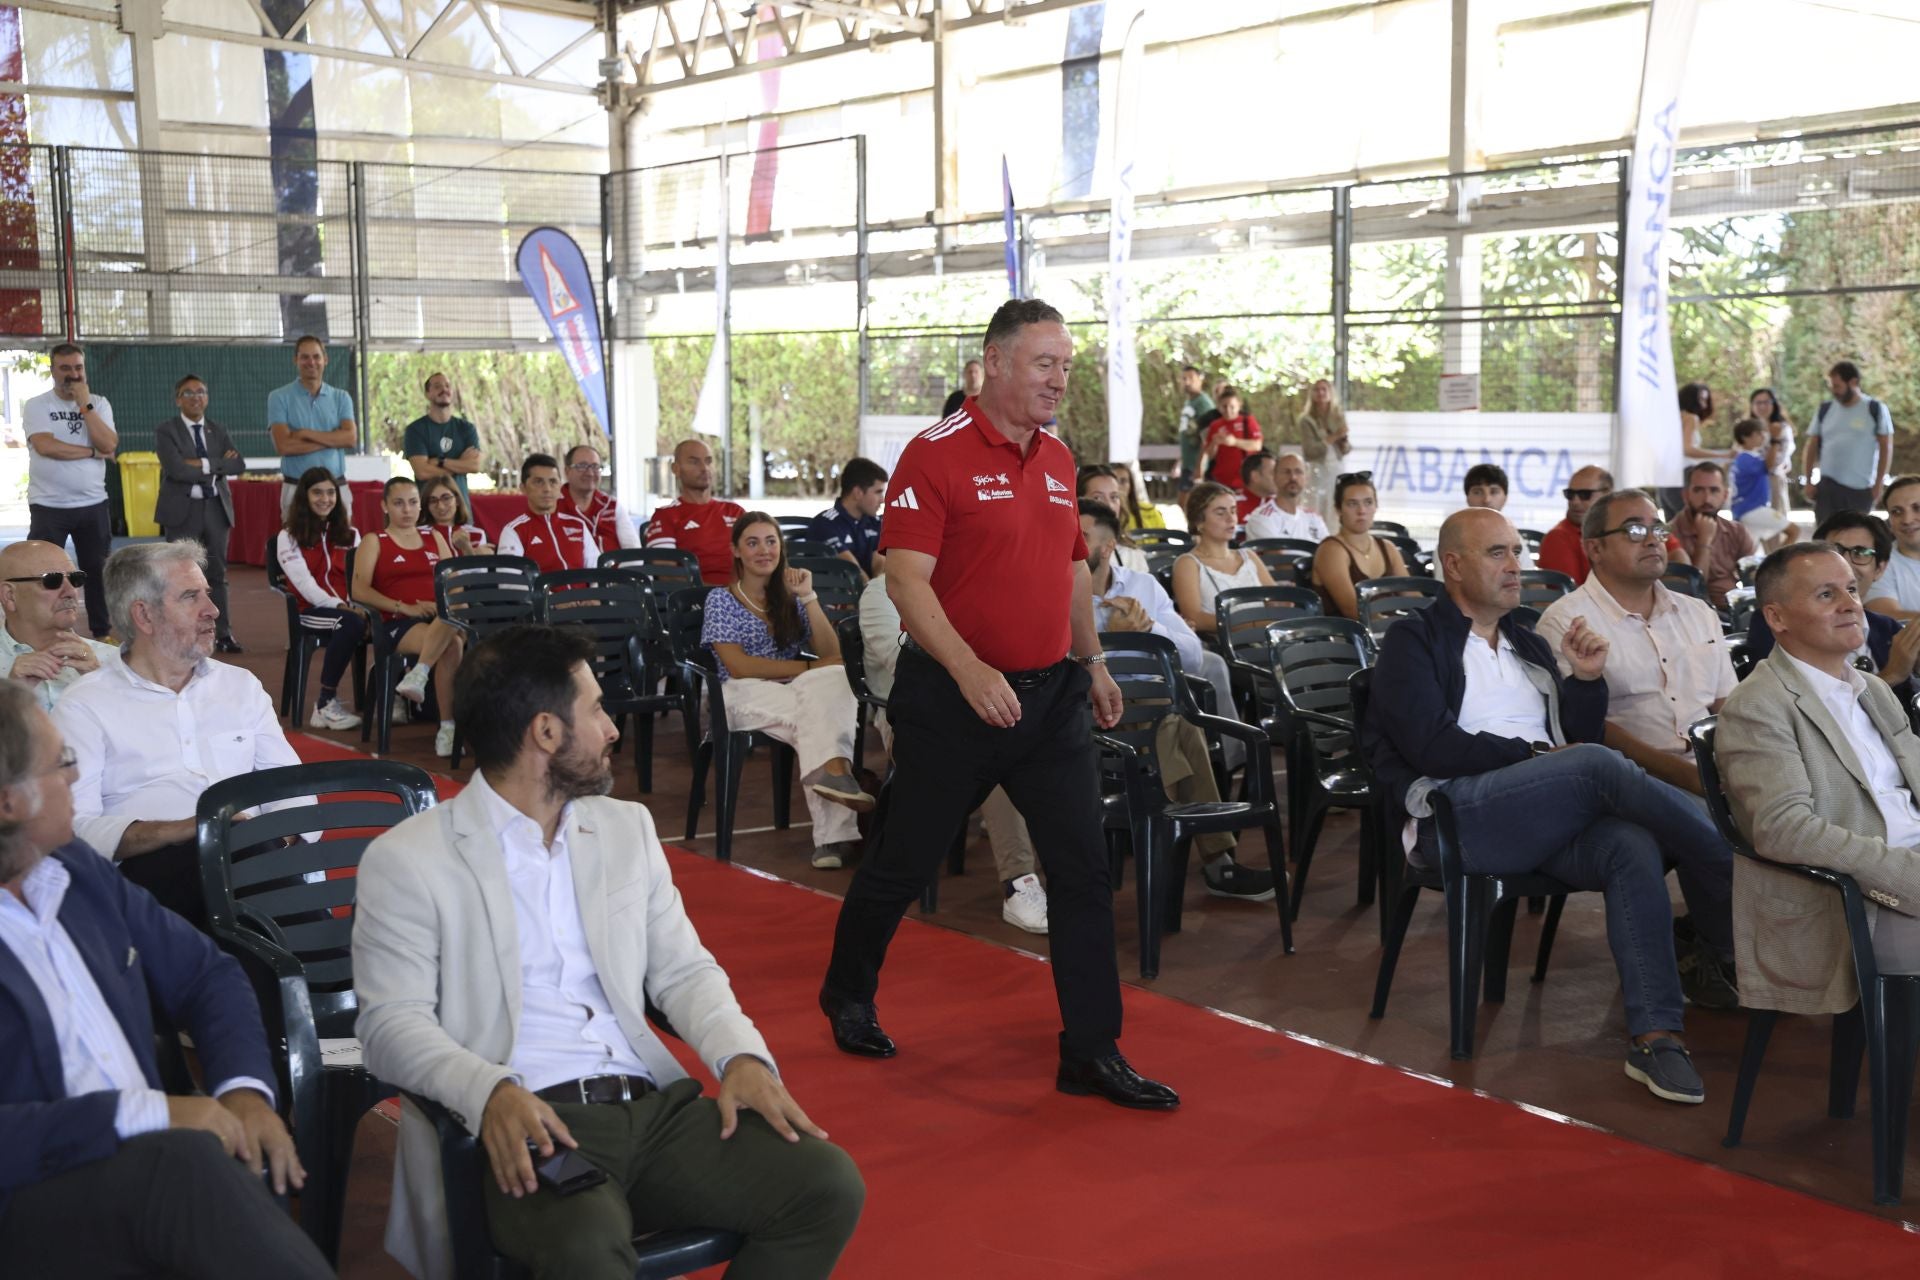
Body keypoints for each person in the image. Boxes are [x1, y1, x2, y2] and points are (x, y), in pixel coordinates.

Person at [352, 625, 864, 1280]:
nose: (612, 727)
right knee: (587, 1243)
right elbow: (388, 1026)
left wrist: (741, 1055)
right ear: (545, 732)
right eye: (594, 709)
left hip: (652, 1109)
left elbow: (683, 968)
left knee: (825, 1184)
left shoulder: (624, 828)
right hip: (530, 1120)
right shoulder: (410, 858)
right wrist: (490, 1092)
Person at [820, 298, 1177, 1111]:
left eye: (1067, 364)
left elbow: (1069, 574)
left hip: (1050, 701)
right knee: (902, 862)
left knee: (1084, 874)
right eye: (1045, 363)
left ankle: (1091, 1049)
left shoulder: (1056, 459)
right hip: (953, 699)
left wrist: (1091, 661)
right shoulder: (933, 454)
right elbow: (906, 579)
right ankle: (847, 993)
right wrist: (970, 669)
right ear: (996, 362)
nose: (1060, 379)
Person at [1361, 506, 1735, 1104]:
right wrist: (1531, 758)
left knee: (1630, 844)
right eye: (1498, 554)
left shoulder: (1527, 641)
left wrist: (1586, 680)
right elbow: (1430, 745)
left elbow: (1570, 738)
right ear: (1452, 565)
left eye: (1517, 551)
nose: (1517, 565)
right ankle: (1724, 854)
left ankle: (1656, 1036)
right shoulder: (1415, 639)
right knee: (1596, 767)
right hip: (1453, 818)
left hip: (1538, 812)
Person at [0, 683, 335, 1280]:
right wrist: (149, 1115)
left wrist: (242, 1091)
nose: (76, 780)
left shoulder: (73, 870)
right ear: (8, 802)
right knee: (183, 1169)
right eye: (62, 763)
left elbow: (206, 973)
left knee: (218, 1158)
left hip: (156, 1164)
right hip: (33, 1194)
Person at [51, 542, 301, 928]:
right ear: (144, 616)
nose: (212, 610)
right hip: (148, 884)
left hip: (254, 860)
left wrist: (272, 841)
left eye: (208, 594)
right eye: (190, 596)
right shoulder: (86, 704)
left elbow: (291, 791)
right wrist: (187, 829)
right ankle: (324, 976)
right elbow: (74, 828)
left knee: (248, 871)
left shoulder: (240, 686)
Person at [1716, 543, 1920, 1014]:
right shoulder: (1759, 705)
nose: (1851, 603)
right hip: (1856, 904)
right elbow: (1784, 828)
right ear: (1777, 617)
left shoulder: (1870, 687)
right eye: (1826, 595)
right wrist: (1908, 872)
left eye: (1851, 589)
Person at [1083, 500, 1272, 901]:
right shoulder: (1054, 591)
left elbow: (1192, 655)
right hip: (1089, 714)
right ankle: (1195, 849)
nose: (1070, 545)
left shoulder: (1142, 587)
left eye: (1081, 537)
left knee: (1181, 723)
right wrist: (1116, 641)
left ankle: (1203, 854)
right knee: (1177, 734)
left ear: (1106, 546)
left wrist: (1149, 630)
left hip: (1148, 712)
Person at [858, 568, 1049, 933]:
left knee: (1049, 734)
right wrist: (973, 667)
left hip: (997, 707)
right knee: (992, 745)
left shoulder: (974, 583)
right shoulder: (881, 592)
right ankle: (1019, 881)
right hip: (914, 722)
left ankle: (1079, 878)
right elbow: (901, 664)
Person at [1535, 492, 1737, 805]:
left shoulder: (1698, 613)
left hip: (1716, 770)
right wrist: (1692, 779)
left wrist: (1739, 766)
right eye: (1634, 531)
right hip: (1636, 781)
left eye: (1658, 530)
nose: (1653, 541)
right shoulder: (1567, 623)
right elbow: (1591, 729)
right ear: (1595, 548)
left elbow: (1726, 705)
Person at [703, 514, 874, 871]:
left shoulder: (789, 598)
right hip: (737, 693)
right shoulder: (720, 599)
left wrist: (809, 596)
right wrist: (810, 668)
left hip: (794, 690)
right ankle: (834, 825)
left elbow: (833, 653)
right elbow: (739, 666)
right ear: (736, 550)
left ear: (781, 548)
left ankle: (834, 790)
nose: (763, 550)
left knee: (835, 680)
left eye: (771, 541)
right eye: (752, 542)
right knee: (818, 712)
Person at [1744, 512, 1920, 705]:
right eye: (1835, 551)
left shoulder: (1887, 629)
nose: (1845, 563)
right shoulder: (1778, 621)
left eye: (1860, 553)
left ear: (1879, 569)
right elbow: (1788, 707)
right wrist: (1892, 674)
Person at [351, 476, 465, 757]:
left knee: (456, 612)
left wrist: (439, 606)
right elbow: (359, 589)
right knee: (452, 646)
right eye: (399, 503)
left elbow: (455, 584)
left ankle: (420, 673)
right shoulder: (374, 540)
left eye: (413, 502)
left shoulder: (434, 536)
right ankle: (447, 729)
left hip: (441, 618)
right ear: (385, 506)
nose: (407, 509)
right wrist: (404, 606)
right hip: (398, 622)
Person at [22, 342, 116, 639]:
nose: (73, 375)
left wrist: (84, 405)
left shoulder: (97, 403)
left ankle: (102, 634)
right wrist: (90, 453)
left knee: (98, 572)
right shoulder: (38, 405)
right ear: (53, 371)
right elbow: (47, 447)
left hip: (93, 504)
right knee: (43, 574)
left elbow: (109, 445)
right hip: (48, 506)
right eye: (65, 368)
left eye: (78, 368)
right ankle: (41, 633)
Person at [154, 374, 246, 655]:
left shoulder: (217, 430)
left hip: (216, 511)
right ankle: (179, 634)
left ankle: (223, 634)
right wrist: (217, 465)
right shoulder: (167, 430)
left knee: (216, 575)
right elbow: (177, 470)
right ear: (178, 399)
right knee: (179, 576)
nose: (196, 397)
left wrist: (201, 463)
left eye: (201, 392)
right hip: (182, 512)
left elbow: (238, 465)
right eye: (189, 392)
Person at [275, 467, 367, 731]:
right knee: (349, 623)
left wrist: (359, 607)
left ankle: (395, 700)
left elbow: (359, 578)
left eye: (330, 493)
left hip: (349, 610)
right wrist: (341, 606)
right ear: (304, 496)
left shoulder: (350, 534)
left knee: (384, 620)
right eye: (317, 493)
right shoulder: (288, 536)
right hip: (310, 612)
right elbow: (305, 585)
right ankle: (325, 705)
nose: (325, 499)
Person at [0, 541, 116, 710]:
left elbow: (144, 731)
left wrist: (100, 682)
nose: (71, 592)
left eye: (76, 579)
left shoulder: (113, 660)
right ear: (9, 596)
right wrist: (9, 701)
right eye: (52, 581)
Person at [1173, 481, 1280, 635]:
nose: (1231, 519)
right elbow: (1195, 617)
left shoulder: (1248, 556)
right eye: (1220, 512)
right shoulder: (1188, 564)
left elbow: (1277, 600)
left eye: (1233, 511)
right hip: (1226, 647)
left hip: (1267, 638)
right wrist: (1252, 625)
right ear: (1199, 521)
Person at [267, 335, 357, 517]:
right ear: (296, 360)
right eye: (305, 357)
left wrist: (304, 433)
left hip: (336, 489)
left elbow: (350, 439)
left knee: (340, 544)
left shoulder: (341, 397)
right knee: (296, 545)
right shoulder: (278, 397)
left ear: (326, 359)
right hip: (296, 489)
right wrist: (332, 439)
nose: (311, 362)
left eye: (316, 356)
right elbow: (284, 446)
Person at [1802, 359, 1894, 525]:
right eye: (1831, 386)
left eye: (1837, 386)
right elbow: (1812, 446)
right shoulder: (1825, 409)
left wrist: (1878, 484)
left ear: (1853, 382)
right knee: (1824, 540)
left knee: (1854, 538)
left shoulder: (1875, 409)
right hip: (1828, 487)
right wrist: (1808, 481)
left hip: (1860, 489)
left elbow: (1886, 448)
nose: (1834, 391)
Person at [645, 439, 747, 585]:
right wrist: (719, 594)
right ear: (676, 469)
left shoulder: (735, 511)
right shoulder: (665, 516)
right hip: (697, 601)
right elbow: (667, 575)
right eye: (694, 462)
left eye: (708, 461)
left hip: (747, 598)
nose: (704, 468)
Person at [1309, 471, 1409, 621]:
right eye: (1352, 504)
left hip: (1392, 632)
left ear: (1376, 506)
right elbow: (1353, 610)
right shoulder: (1331, 550)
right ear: (1338, 509)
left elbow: (1414, 597)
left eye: (1368, 502)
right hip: (1348, 639)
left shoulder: (1388, 548)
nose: (1361, 511)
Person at [1669, 461, 1756, 609]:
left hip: (1733, 611)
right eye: (1698, 490)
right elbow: (1694, 589)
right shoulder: (1670, 534)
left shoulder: (1736, 531)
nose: (1707, 499)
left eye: (1714, 490)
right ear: (1685, 495)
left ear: (1725, 495)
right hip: (1690, 611)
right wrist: (1705, 540)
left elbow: (1754, 578)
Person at [497, 454, 597, 574]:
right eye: (538, 482)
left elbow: (597, 572)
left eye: (553, 481)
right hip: (543, 593)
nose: (547, 489)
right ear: (523, 488)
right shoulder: (514, 531)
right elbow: (510, 584)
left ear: (560, 486)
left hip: (583, 593)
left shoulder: (578, 525)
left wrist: (593, 593)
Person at [403, 371, 483, 507]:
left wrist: (440, 461)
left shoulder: (466, 428)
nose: (444, 389)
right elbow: (422, 472)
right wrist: (460, 465)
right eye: (437, 386)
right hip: (428, 509)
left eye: (447, 386)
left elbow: (475, 466)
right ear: (427, 394)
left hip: (461, 508)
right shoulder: (415, 430)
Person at [805, 456, 887, 578]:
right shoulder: (824, 523)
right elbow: (854, 572)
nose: (883, 500)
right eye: (878, 492)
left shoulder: (875, 522)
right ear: (858, 493)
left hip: (867, 593)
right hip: (835, 595)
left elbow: (880, 566)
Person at [1728, 418, 1799, 549]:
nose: (1763, 436)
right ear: (1745, 437)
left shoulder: (1741, 458)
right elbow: (1769, 465)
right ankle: (1776, 564)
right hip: (1753, 509)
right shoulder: (1746, 458)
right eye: (1758, 433)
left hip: (1744, 510)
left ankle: (1763, 566)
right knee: (1794, 531)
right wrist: (1775, 439)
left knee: (1750, 551)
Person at [558, 443, 641, 554]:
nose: (590, 473)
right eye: (582, 466)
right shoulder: (553, 506)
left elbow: (634, 551)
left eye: (595, 466)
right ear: (567, 471)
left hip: (616, 570)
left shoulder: (611, 506)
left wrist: (624, 571)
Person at [1666, 382, 1731, 516]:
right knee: (1696, 522)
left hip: (1665, 478)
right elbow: (1688, 449)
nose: (1705, 405)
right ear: (1691, 399)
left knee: (1674, 528)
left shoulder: (1671, 417)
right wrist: (1722, 455)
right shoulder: (1691, 418)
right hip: (1684, 475)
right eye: (1701, 399)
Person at [1243, 450, 1329, 543]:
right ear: (1274, 477)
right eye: (1286, 472)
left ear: (1306, 478)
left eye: (1298, 472)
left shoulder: (1314, 518)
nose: (1293, 477)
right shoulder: (1262, 518)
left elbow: (1330, 551)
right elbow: (1279, 556)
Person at [1078, 465, 1150, 573]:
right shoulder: (1065, 554)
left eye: (1114, 497)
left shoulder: (1132, 556)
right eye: (1097, 497)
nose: (1109, 506)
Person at [1867, 474, 1920, 620]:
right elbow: (1889, 618)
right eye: (1897, 512)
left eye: (1917, 508)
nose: (1907, 520)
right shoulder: (1879, 564)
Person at [1298, 378, 1350, 514]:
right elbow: (1310, 451)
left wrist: (1343, 441)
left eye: (1324, 389)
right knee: (1316, 506)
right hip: (1317, 469)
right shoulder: (1306, 420)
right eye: (1317, 390)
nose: (1321, 393)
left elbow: (1346, 449)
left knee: (1334, 506)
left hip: (1336, 468)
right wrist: (1334, 436)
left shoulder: (1338, 416)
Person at [1200, 385, 1262, 491]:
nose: (1228, 410)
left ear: (1238, 405)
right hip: (1221, 480)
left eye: (1232, 406)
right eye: (1224, 407)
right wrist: (1214, 443)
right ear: (1219, 407)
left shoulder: (1247, 421)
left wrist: (1235, 442)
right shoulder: (1215, 425)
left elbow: (1257, 445)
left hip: (1244, 479)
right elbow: (1209, 455)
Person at [1750, 386, 1795, 522]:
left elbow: (1776, 462)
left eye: (1766, 402)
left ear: (1774, 404)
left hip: (1773, 481)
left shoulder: (1782, 428)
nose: (1762, 406)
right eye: (1758, 403)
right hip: (1750, 483)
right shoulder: (1745, 428)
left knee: (1775, 526)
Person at [420, 473, 493, 557]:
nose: (440, 506)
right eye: (433, 501)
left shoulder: (476, 534)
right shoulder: (418, 534)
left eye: (446, 498)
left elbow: (480, 570)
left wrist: (467, 548)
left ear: (457, 500)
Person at [1174, 364, 1214, 493]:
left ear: (1200, 379)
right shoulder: (1189, 402)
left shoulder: (1204, 404)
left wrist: (1200, 466)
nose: (1187, 382)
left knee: (1190, 502)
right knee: (1183, 502)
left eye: (1191, 378)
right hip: (1187, 462)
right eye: (1184, 378)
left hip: (1197, 463)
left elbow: (1207, 437)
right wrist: (1180, 462)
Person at [1113, 462, 1165, 531]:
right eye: (1114, 481)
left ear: (1131, 486)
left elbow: (1164, 539)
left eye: (1123, 481)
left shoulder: (1150, 511)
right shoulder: (1101, 516)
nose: (1118, 486)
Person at [1236, 451, 1277, 522]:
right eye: (1273, 473)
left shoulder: (1283, 506)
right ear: (1255, 476)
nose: (1278, 478)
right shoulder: (1233, 506)